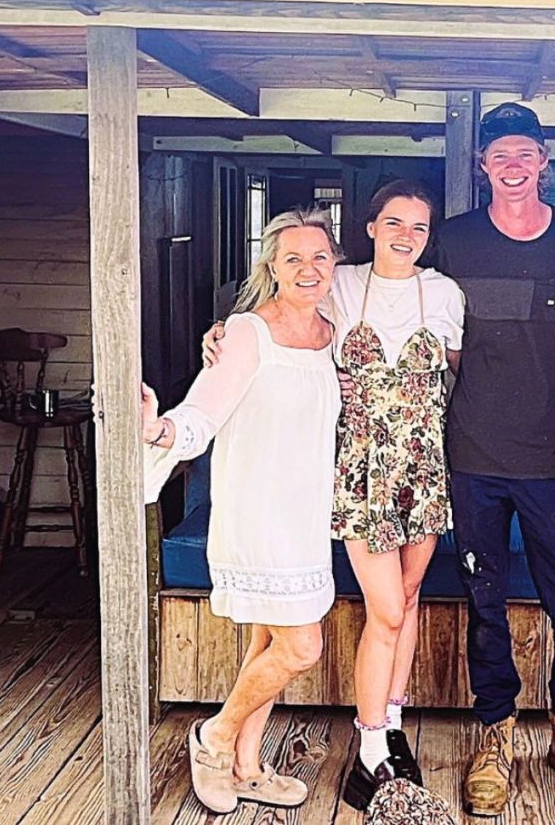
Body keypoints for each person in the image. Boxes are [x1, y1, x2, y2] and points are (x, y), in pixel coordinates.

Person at [204, 181, 466, 811]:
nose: (407, 235)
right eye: (394, 222)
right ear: (370, 227)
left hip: (423, 469)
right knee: (389, 611)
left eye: (419, 227)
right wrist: (223, 333)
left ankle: (390, 725)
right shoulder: (340, 284)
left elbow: (459, 374)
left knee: (405, 598)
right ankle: (371, 742)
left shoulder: (446, 293)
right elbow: (281, 322)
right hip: (358, 472)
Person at [430, 102, 555, 816]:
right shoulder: (450, 243)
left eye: (526, 155)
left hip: (552, 458)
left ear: (545, 163)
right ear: (483, 167)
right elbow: (414, 318)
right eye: (499, 156)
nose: (513, 167)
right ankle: (495, 736)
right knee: (484, 604)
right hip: (473, 453)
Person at [141, 207, 343, 816]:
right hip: (257, 511)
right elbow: (203, 412)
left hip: (305, 512)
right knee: (301, 647)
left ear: (335, 264)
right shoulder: (247, 332)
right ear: (271, 267)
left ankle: (250, 768)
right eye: (293, 259)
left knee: (267, 641)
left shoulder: (334, 326)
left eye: (320, 257)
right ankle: (216, 737)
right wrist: (159, 430)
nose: (308, 269)